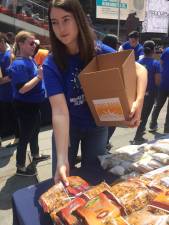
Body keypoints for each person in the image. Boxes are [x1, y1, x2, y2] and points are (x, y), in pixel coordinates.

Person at [43, 0, 147, 185]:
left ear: (79, 19)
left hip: (97, 127)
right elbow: (59, 112)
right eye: (54, 22)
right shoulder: (52, 63)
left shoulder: (97, 50)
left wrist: (138, 102)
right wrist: (61, 158)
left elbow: (140, 70)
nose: (61, 28)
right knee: (62, 178)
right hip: (68, 129)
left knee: (94, 178)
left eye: (66, 19)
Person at [8, 31, 50, 176]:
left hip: (34, 105)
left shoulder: (29, 59)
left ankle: (36, 154)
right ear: (20, 44)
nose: (34, 46)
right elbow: (23, 89)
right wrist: (39, 77)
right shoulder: (19, 64)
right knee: (25, 136)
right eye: (31, 43)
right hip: (25, 106)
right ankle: (20, 167)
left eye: (35, 43)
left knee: (35, 130)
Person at [131, 40, 160, 144]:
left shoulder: (137, 63)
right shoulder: (155, 64)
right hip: (150, 94)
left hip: (138, 93)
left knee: (139, 113)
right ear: (153, 50)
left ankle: (140, 132)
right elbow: (157, 81)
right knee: (144, 115)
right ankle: (138, 137)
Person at [0, 32, 19, 147]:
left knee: (13, 116)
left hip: (10, 92)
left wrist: (3, 80)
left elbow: (13, 75)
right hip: (3, 93)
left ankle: (18, 137)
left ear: (3, 42)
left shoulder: (10, 54)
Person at [149, 45, 169, 133]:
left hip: (163, 82)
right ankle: (167, 129)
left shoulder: (167, 50)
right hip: (164, 82)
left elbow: (160, 62)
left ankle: (152, 124)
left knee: (158, 105)